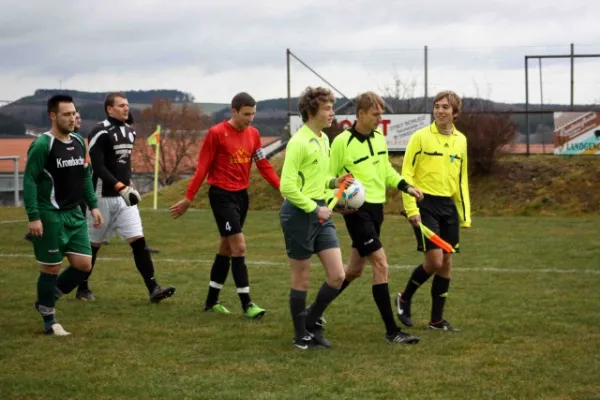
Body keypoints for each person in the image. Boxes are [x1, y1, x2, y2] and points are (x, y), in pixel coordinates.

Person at [55, 92, 176, 303]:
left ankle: (153, 288)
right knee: (93, 246)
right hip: (101, 197)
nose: (126, 108)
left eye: (127, 105)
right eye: (121, 105)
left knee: (138, 241)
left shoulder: (130, 132)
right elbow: (99, 166)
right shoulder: (99, 132)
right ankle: (82, 288)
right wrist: (120, 186)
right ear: (109, 109)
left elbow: (124, 164)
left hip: (123, 198)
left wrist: (128, 184)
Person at [169, 92, 280, 318]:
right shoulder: (216, 133)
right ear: (234, 111)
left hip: (242, 197)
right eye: (246, 114)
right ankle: (247, 304)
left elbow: (264, 165)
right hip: (221, 195)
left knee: (226, 248)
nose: (250, 119)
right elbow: (202, 168)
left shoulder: (254, 134)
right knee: (239, 246)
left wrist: (282, 189)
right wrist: (188, 198)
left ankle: (211, 302)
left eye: (253, 114)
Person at [327, 91, 422, 344]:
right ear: (360, 114)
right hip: (356, 212)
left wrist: (406, 186)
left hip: (376, 210)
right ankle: (392, 331)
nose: (380, 117)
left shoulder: (379, 138)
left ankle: (314, 311)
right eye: (375, 113)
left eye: (381, 113)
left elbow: (386, 170)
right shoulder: (341, 143)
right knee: (381, 264)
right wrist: (335, 205)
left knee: (354, 270)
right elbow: (327, 178)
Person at [279, 86, 353, 350]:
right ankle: (301, 337)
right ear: (312, 111)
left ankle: (310, 320)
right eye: (327, 108)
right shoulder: (298, 142)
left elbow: (318, 178)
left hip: (321, 212)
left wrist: (335, 181)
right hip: (299, 215)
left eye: (332, 107)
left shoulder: (324, 139)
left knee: (337, 275)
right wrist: (313, 208)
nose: (332, 112)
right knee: (302, 278)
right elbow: (286, 187)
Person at [23, 94, 104, 335]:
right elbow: (29, 180)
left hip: (75, 215)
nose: (72, 118)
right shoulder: (42, 145)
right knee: (51, 268)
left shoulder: (79, 140)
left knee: (83, 265)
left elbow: (86, 175)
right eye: (66, 114)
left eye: (73, 113)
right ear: (53, 116)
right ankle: (50, 321)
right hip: (50, 215)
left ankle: (46, 299)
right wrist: (33, 216)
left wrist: (93, 205)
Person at [395, 90, 471, 332]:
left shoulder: (461, 140)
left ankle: (436, 321)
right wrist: (410, 209)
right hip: (423, 204)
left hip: (448, 206)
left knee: (447, 262)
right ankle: (404, 298)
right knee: (435, 260)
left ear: (455, 113)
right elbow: (406, 174)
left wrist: (464, 214)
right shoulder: (420, 137)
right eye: (437, 106)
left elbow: (461, 179)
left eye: (446, 107)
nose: (440, 111)